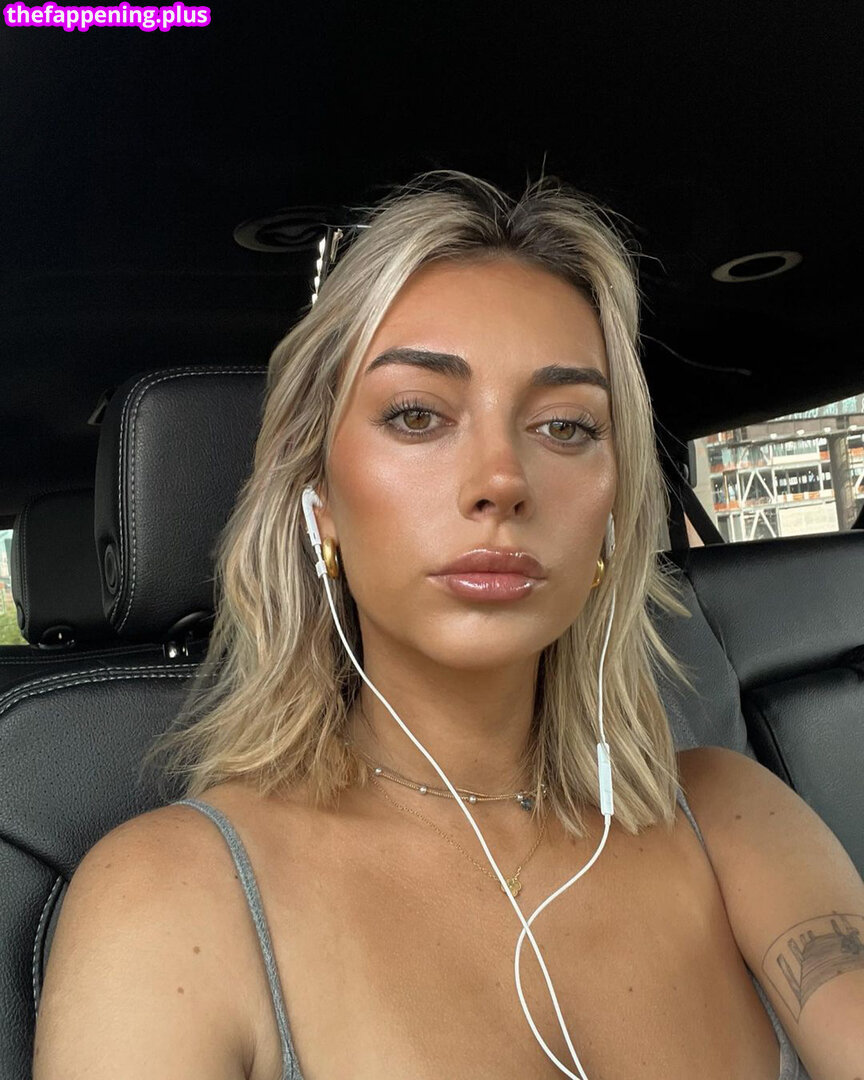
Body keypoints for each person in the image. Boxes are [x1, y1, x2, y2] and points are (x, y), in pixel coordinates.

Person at [34, 171, 859, 1079]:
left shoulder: (733, 815)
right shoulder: (171, 900)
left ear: (612, 512)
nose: (502, 480)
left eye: (566, 426)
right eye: (417, 415)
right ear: (319, 500)